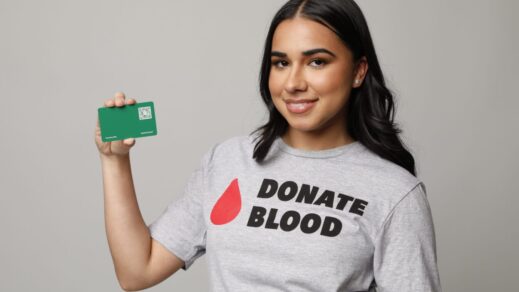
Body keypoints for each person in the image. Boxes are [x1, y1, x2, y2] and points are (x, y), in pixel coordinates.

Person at [95, 0, 442, 291]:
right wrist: (114, 161)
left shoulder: (395, 193)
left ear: (358, 71)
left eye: (317, 61)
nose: (293, 83)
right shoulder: (228, 161)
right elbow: (137, 270)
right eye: (281, 63)